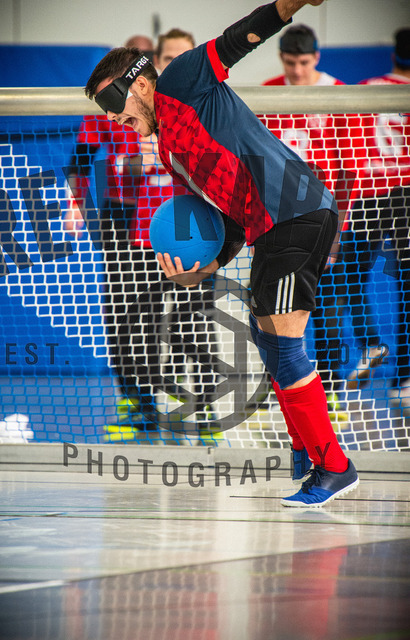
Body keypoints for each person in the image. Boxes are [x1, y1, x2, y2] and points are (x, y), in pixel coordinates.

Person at [85, 0, 359, 507]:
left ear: (139, 85)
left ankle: (334, 466)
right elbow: (227, 217)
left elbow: (243, 34)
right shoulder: (168, 150)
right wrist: (208, 266)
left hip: (296, 209)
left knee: (284, 344)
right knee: (268, 338)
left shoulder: (180, 80)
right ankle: (307, 449)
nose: (114, 119)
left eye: (114, 105)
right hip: (268, 227)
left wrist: (292, 3)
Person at [65, 31, 196, 440]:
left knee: (186, 314)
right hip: (124, 219)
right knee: (126, 316)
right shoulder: (108, 109)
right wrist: (76, 205)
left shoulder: (177, 104)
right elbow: (80, 161)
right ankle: (136, 402)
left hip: (176, 217)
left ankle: (193, 398)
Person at [261, 24, 352, 427]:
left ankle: (331, 394)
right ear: (280, 58)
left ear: (316, 57)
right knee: (270, 314)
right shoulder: (267, 93)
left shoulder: (338, 94)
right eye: (289, 62)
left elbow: (349, 170)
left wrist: (338, 231)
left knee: (328, 313)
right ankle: (281, 397)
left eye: (303, 62)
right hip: (279, 224)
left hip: (324, 222)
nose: (296, 71)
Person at [341, 28, 410, 413]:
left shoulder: (367, 88)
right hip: (405, 193)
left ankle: (371, 344)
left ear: (394, 56)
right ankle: (404, 378)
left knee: (351, 277)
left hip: (369, 192)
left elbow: (351, 147)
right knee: (406, 287)